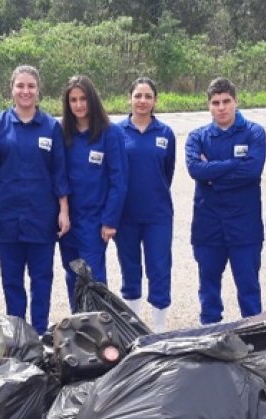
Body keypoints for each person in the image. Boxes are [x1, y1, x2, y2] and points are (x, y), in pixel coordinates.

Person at [0, 65, 70, 334]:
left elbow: (59, 172)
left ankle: (39, 333)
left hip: (42, 217)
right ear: (12, 89)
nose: (25, 91)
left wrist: (63, 210)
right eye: (20, 86)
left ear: (39, 91)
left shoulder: (51, 127)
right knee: (12, 280)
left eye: (31, 86)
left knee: (41, 279)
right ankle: (17, 334)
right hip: (7, 217)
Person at [185, 77, 266, 325]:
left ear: (236, 102)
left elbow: (252, 171)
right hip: (208, 227)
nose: (221, 107)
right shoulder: (197, 137)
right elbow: (195, 170)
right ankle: (210, 337)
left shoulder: (254, 132)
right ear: (209, 106)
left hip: (244, 227)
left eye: (226, 101)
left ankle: (256, 340)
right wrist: (233, 165)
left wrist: (213, 174)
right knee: (208, 290)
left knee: (249, 289)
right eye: (215, 102)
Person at [58, 74, 127, 311]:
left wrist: (109, 221)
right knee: (71, 275)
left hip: (94, 221)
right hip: (68, 220)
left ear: (93, 100)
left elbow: (119, 181)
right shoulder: (63, 133)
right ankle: (78, 326)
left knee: (93, 279)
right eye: (73, 100)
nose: (78, 105)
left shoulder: (110, 134)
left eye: (83, 99)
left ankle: (100, 330)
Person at [115, 77, 176, 332]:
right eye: (138, 95)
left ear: (155, 100)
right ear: (129, 98)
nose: (142, 101)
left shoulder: (165, 134)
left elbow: (167, 171)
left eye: (148, 96)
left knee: (159, 268)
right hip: (125, 215)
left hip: (157, 215)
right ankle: (133, 327)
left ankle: (159, 329)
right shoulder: (116, 132)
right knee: (130, 269)